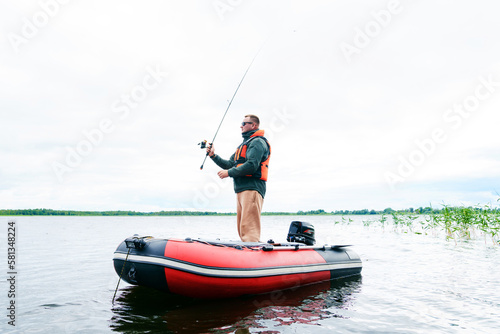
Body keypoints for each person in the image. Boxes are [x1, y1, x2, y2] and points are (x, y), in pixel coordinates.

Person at [207, 114, 271, 242]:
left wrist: (229, 173)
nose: (241, 126)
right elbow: (229, 164)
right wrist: (213, 155)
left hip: (252, 188)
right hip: (241, 189)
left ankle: (253, 253)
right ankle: (247, 252)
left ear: (253, 125)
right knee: (242, 227)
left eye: (244, 123)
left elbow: (252, 166)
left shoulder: (258, 142)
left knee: (249, 227)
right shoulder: (244, 144)